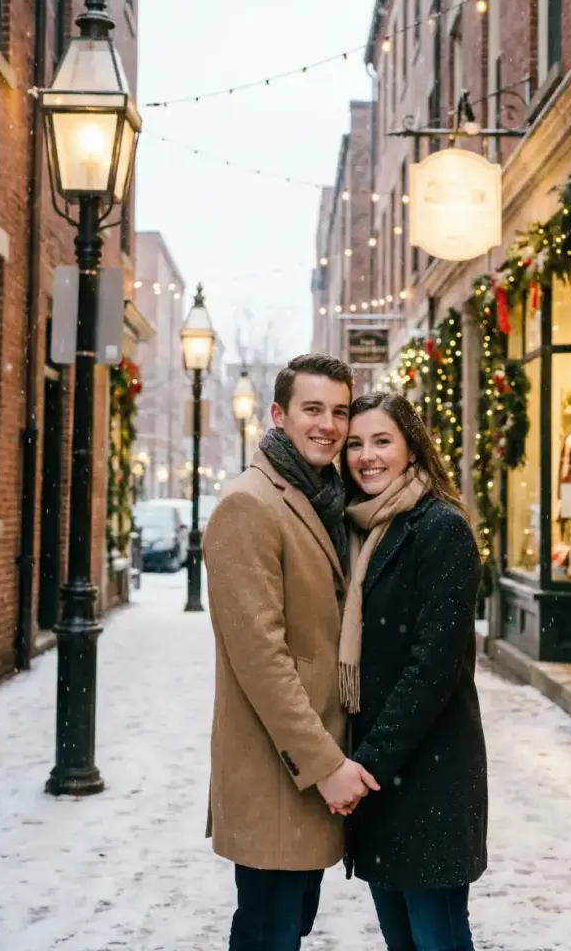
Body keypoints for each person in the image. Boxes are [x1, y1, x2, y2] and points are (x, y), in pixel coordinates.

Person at [202, 353, 379, 951]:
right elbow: (263, 660)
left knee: (287, 925)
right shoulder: (249, 505)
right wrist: (326, 766)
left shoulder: (326, 497)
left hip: (311, 761)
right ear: (278, 415)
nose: (328, 424)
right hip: (278, 768)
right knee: (269, 931)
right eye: (312, 409)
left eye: (339, 411)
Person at [340, 391, 488, 951]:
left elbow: (433, 667)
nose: (367, 456)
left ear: (411, 448)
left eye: (382, 441)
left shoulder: (440, 528)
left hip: (429, 780)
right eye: (355, 444)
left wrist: (366, 767)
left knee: (438, 939)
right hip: (382, 785)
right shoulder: (360, 531)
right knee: (402, 942)